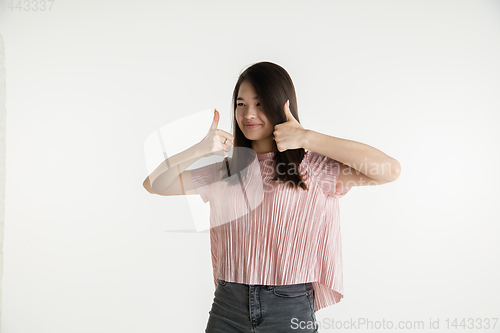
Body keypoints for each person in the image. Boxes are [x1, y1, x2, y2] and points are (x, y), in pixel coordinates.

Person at [143, 61, 401, 332]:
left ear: (279, 105)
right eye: (241, 104)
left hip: (288, 306)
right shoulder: (228, 172)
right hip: (227, 306)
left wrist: (307, 138)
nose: (248, 114)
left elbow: (389, 170)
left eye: (260, 103)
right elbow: (155, 184)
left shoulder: (312, 168)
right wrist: (198, 150)